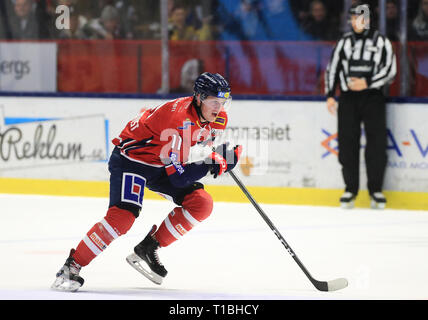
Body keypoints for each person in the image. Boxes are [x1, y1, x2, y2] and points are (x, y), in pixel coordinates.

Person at [51, 72, 242, 291]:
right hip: (132, 161)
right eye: (214, 101)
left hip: (160, 164)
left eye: (223, 102)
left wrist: (220, 155)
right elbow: (179, 177)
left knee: (201, 204)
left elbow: (198, 143)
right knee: (122, 218)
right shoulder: (177, 119)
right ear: (198, 98)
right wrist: (213, 163)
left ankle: (148, 247)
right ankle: (70, 267)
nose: (219, 107)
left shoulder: (217, 118)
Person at [324, 4, 397, 209]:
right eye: (353, 18)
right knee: (347, 144)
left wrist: (368, 82)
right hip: (348, 99)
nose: (356, 21)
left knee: (376, 144)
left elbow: (390, 70)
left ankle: (375, 190)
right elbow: (332, 69)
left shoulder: (382, 42)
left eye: (360, 17)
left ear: (368, 19)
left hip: (372, 97)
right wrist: (330, 95)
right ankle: (350, 189)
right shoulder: (344, 42)